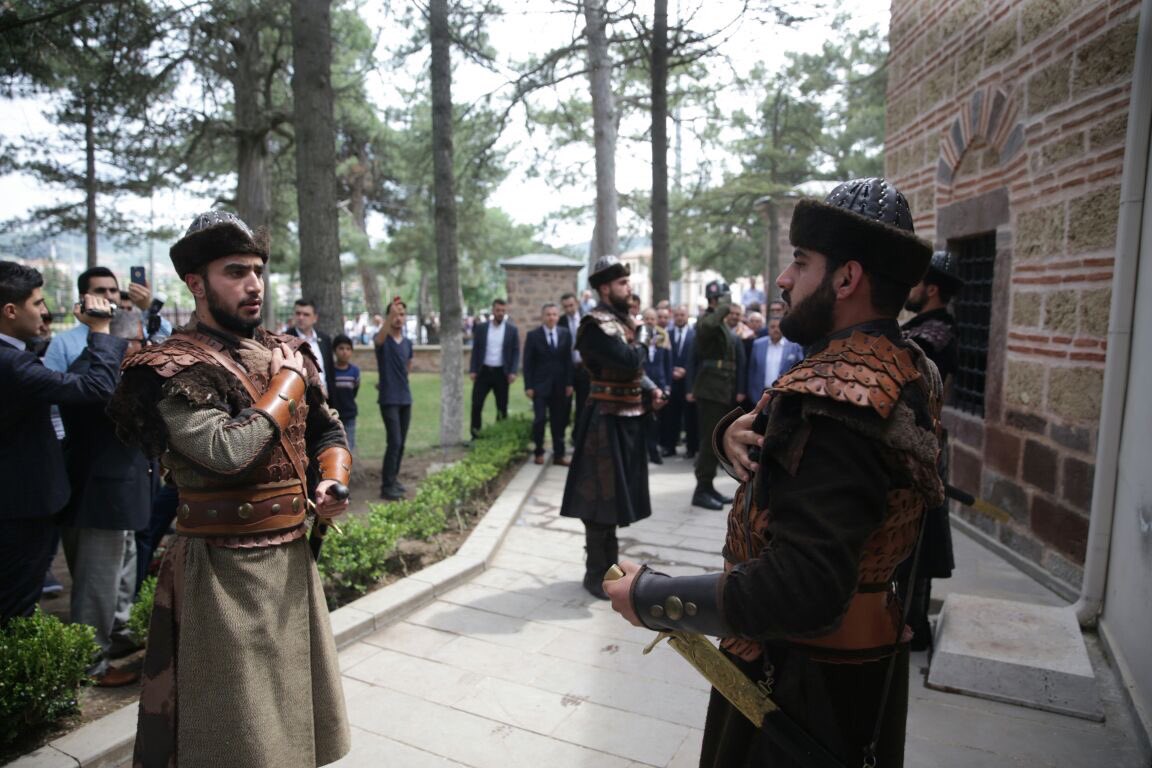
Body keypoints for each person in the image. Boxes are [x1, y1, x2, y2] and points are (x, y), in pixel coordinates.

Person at [604, 177, 944, 768]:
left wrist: (654, 596)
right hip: (859, 668)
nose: (783, 279)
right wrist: (727, 433)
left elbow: (806, 586)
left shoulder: (836, 400)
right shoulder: (906, 367)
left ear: (846, 278)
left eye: (801, 261)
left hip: (800, 685)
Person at [108, 211, 351, 767]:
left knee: (292, 708)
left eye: (259, 271)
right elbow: (226, 452)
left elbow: (327, 428)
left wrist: (332, 480)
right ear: (195, 283)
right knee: (236, 729)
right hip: (221, 572)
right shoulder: (170, 367)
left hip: (290, 557)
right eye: (235, 271)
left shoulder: (285, 348)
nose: (254, 285)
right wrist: (288, 382)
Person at [0, 261, 126, 624]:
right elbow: (97, 388)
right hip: (21, 507)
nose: (45, 311)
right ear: (10, 311)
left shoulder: (17, 355)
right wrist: (101, 329)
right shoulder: (11, 365)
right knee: (17, 608)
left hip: (19, 501)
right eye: (37, 303)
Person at [58, 308, 154, 686]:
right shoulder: (94, 372)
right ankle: (91, 664)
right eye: (140, 341)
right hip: (100, 496)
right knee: (96, 586)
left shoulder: (111, 370)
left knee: (118, 576)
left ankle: (115, 638)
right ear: (124, 342)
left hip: (119, 492)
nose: (144, 348)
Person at [561, 255, 665, 600]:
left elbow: (634, 372)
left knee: (616, 499)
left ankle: (609, 567)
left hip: (627, 419)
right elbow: (629, 360)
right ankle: (595, 572)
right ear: (605, 288)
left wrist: (651, 389)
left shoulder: (623, 323)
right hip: (603, 420)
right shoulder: (595, 326)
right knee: (599, 500)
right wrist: (647, 332)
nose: (629, 287)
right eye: (622, 283)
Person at [899, 249, 963, 650]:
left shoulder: (932, 336)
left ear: (932, 289)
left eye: (917, 281)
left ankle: (911, 626)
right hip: (920, 445)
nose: (910, 288)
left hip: (921, 449)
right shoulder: (923, 328)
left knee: (913, 542)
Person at [689, 280, 739, 510]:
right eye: (722, 299)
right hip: (710, 388)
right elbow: (705, 328)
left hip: (720, 387)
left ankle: (708, 486)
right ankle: (701, 489)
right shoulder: (707, 320)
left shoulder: (720, 323)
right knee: (709, 439)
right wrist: (721, 307)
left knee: (716, 437)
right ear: (713, 300)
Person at [522, 302, 573, 466]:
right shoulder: (533, 335)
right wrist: (528, 386)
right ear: (542, 317)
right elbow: (528, 363)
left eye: (554, 314)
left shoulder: (565, 334)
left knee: (559, 421)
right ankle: (539, 451)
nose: (551, 317)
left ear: (558, 317)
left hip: (560, 386)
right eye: (548, 314)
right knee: (540, 419)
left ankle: (559, 454)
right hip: (540, 386)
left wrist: (569, 383)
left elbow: (568, 361)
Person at [374, 297, 414, 500]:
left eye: (401, 314)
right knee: (395, 442)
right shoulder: (382, 339)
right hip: (389, 399)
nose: (398, 318)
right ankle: (386, 486)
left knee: (402, 443)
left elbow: (408, 366)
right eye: (394, 314)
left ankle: (394, 479)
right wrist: (388, 318)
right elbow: (379, 339)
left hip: (405, 398)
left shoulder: (408, 343)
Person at [468, 298, 519, 439]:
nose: (500, 313)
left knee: (502, 407)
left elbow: (515, 351)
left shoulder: (511, 330)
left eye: (503, 311)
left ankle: (500, 435)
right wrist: (473, 369)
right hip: (483, 371)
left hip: (502, 373)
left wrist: (513, 371)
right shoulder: (482, 328)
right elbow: (476, 350)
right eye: (498, 310)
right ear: (493, 311)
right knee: (477, 405)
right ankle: (475, 435)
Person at [659, 304, 696, 459]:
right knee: (671, 416)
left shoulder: (695, 335)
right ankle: (670, 446)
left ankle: (691, 448)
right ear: (673, 316)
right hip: (671, 380)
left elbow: (695, 359)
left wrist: (686, 371)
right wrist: (673, 369)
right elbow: (665, 357)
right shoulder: (667, 334)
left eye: (683, 314)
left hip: (688, 382)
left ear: (687, 316)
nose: (680, 317)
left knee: (689, 417)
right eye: (677, 315)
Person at [639, 307, 672, 464]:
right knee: (641, 418)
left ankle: (654, 451)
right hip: (642, 384)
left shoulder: (663, 338)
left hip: (658, 384)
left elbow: (667, 364)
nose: (650, 322)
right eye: (647, 319)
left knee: (655, 420)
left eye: (652, 319)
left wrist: (667, 386)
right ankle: (642, 451)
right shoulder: (638, 339)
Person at [744, 316, 804, 402]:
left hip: (783, 394)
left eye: (779, 327)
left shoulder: (793, 346)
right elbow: (752, 370)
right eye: (772, 327)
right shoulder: (758, 344)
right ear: (768, 328)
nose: (776, 330)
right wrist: (751, 392)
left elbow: (799, 370)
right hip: (760, 393)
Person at [286, 298, 337, 397]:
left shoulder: (325, 339)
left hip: (326, 399)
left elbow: (330, 372)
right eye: (298, 313)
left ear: (315, 318)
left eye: (306, 314)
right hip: (300, 401)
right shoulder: (285, 339)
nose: (301, 317)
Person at [560, 292, 590, 429]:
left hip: (584, 368)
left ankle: (577, 437)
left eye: (571, 305)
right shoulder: (560, 321)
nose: (569, 309)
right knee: (564, 405)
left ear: (577, 303)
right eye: (565, 307)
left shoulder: (587, 319)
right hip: (567, 369)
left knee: (582, 405)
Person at [330, 333, 360, 450]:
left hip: (349, 414)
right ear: (335, 350)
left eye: (348, 349)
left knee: (348, 446)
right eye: (341, 348)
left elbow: (354, 391)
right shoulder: (330, 370)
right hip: (333, 415)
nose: (344, 352)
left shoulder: (355, 371)